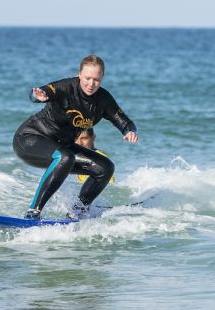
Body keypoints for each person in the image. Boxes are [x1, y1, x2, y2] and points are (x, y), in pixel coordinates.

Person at [12, 54, 139, 220]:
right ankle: (33, 212)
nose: (91, 84)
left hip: (62, 146)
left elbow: (124, 121)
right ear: (79, 74)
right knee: (65, 157)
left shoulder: (103, 99)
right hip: (30, 138)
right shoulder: (66, 87)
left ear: (102, 78)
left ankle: (77, 211)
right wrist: (37, 96)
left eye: (96, 79)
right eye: (87, 78)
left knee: (104, 168)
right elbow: (40, 93)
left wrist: (129, 131)